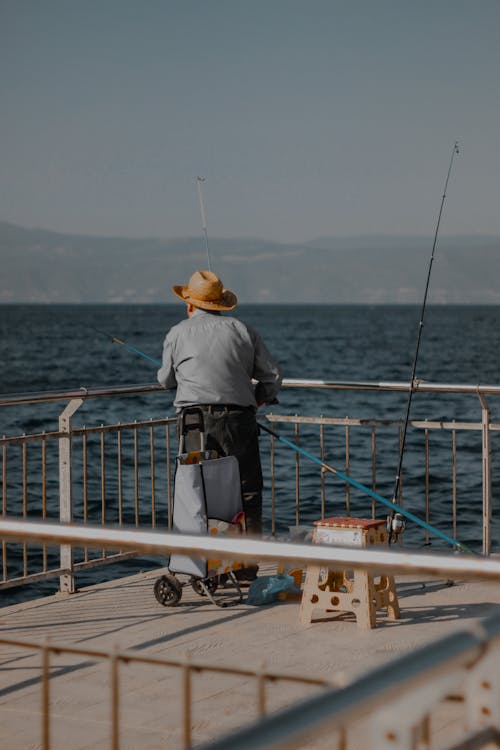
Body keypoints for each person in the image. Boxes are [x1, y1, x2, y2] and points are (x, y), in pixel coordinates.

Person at [157, 270, 282, 579]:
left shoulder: (177, 332)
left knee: (198, 491)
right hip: (239, 420)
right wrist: (259, 398)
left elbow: (165, 380)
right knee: (247, 491)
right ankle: (245, 566)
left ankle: (205, 567)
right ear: (222, 303)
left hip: (195, 424)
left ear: (189, 304)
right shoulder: (242, 329)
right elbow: (272, 377)